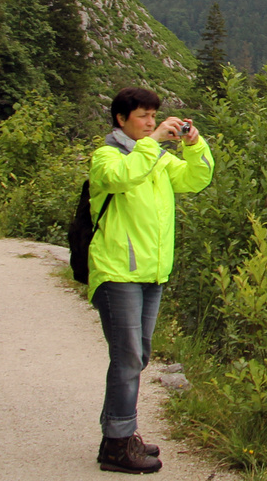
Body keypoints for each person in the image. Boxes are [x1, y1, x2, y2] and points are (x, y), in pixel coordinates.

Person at [88, 87, 214, 474]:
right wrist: (154, 143)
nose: (149, 122)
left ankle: (121, 435)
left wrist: (194, 145)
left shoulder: (154, 159)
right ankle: (116, 445)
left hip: (151, 273)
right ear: (120, 120)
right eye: (142, 116)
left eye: (152, 115)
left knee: (137, 356)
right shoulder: (107, 157)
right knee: (127, 358)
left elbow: (195, 180)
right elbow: (121, 179)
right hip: (117, 272)